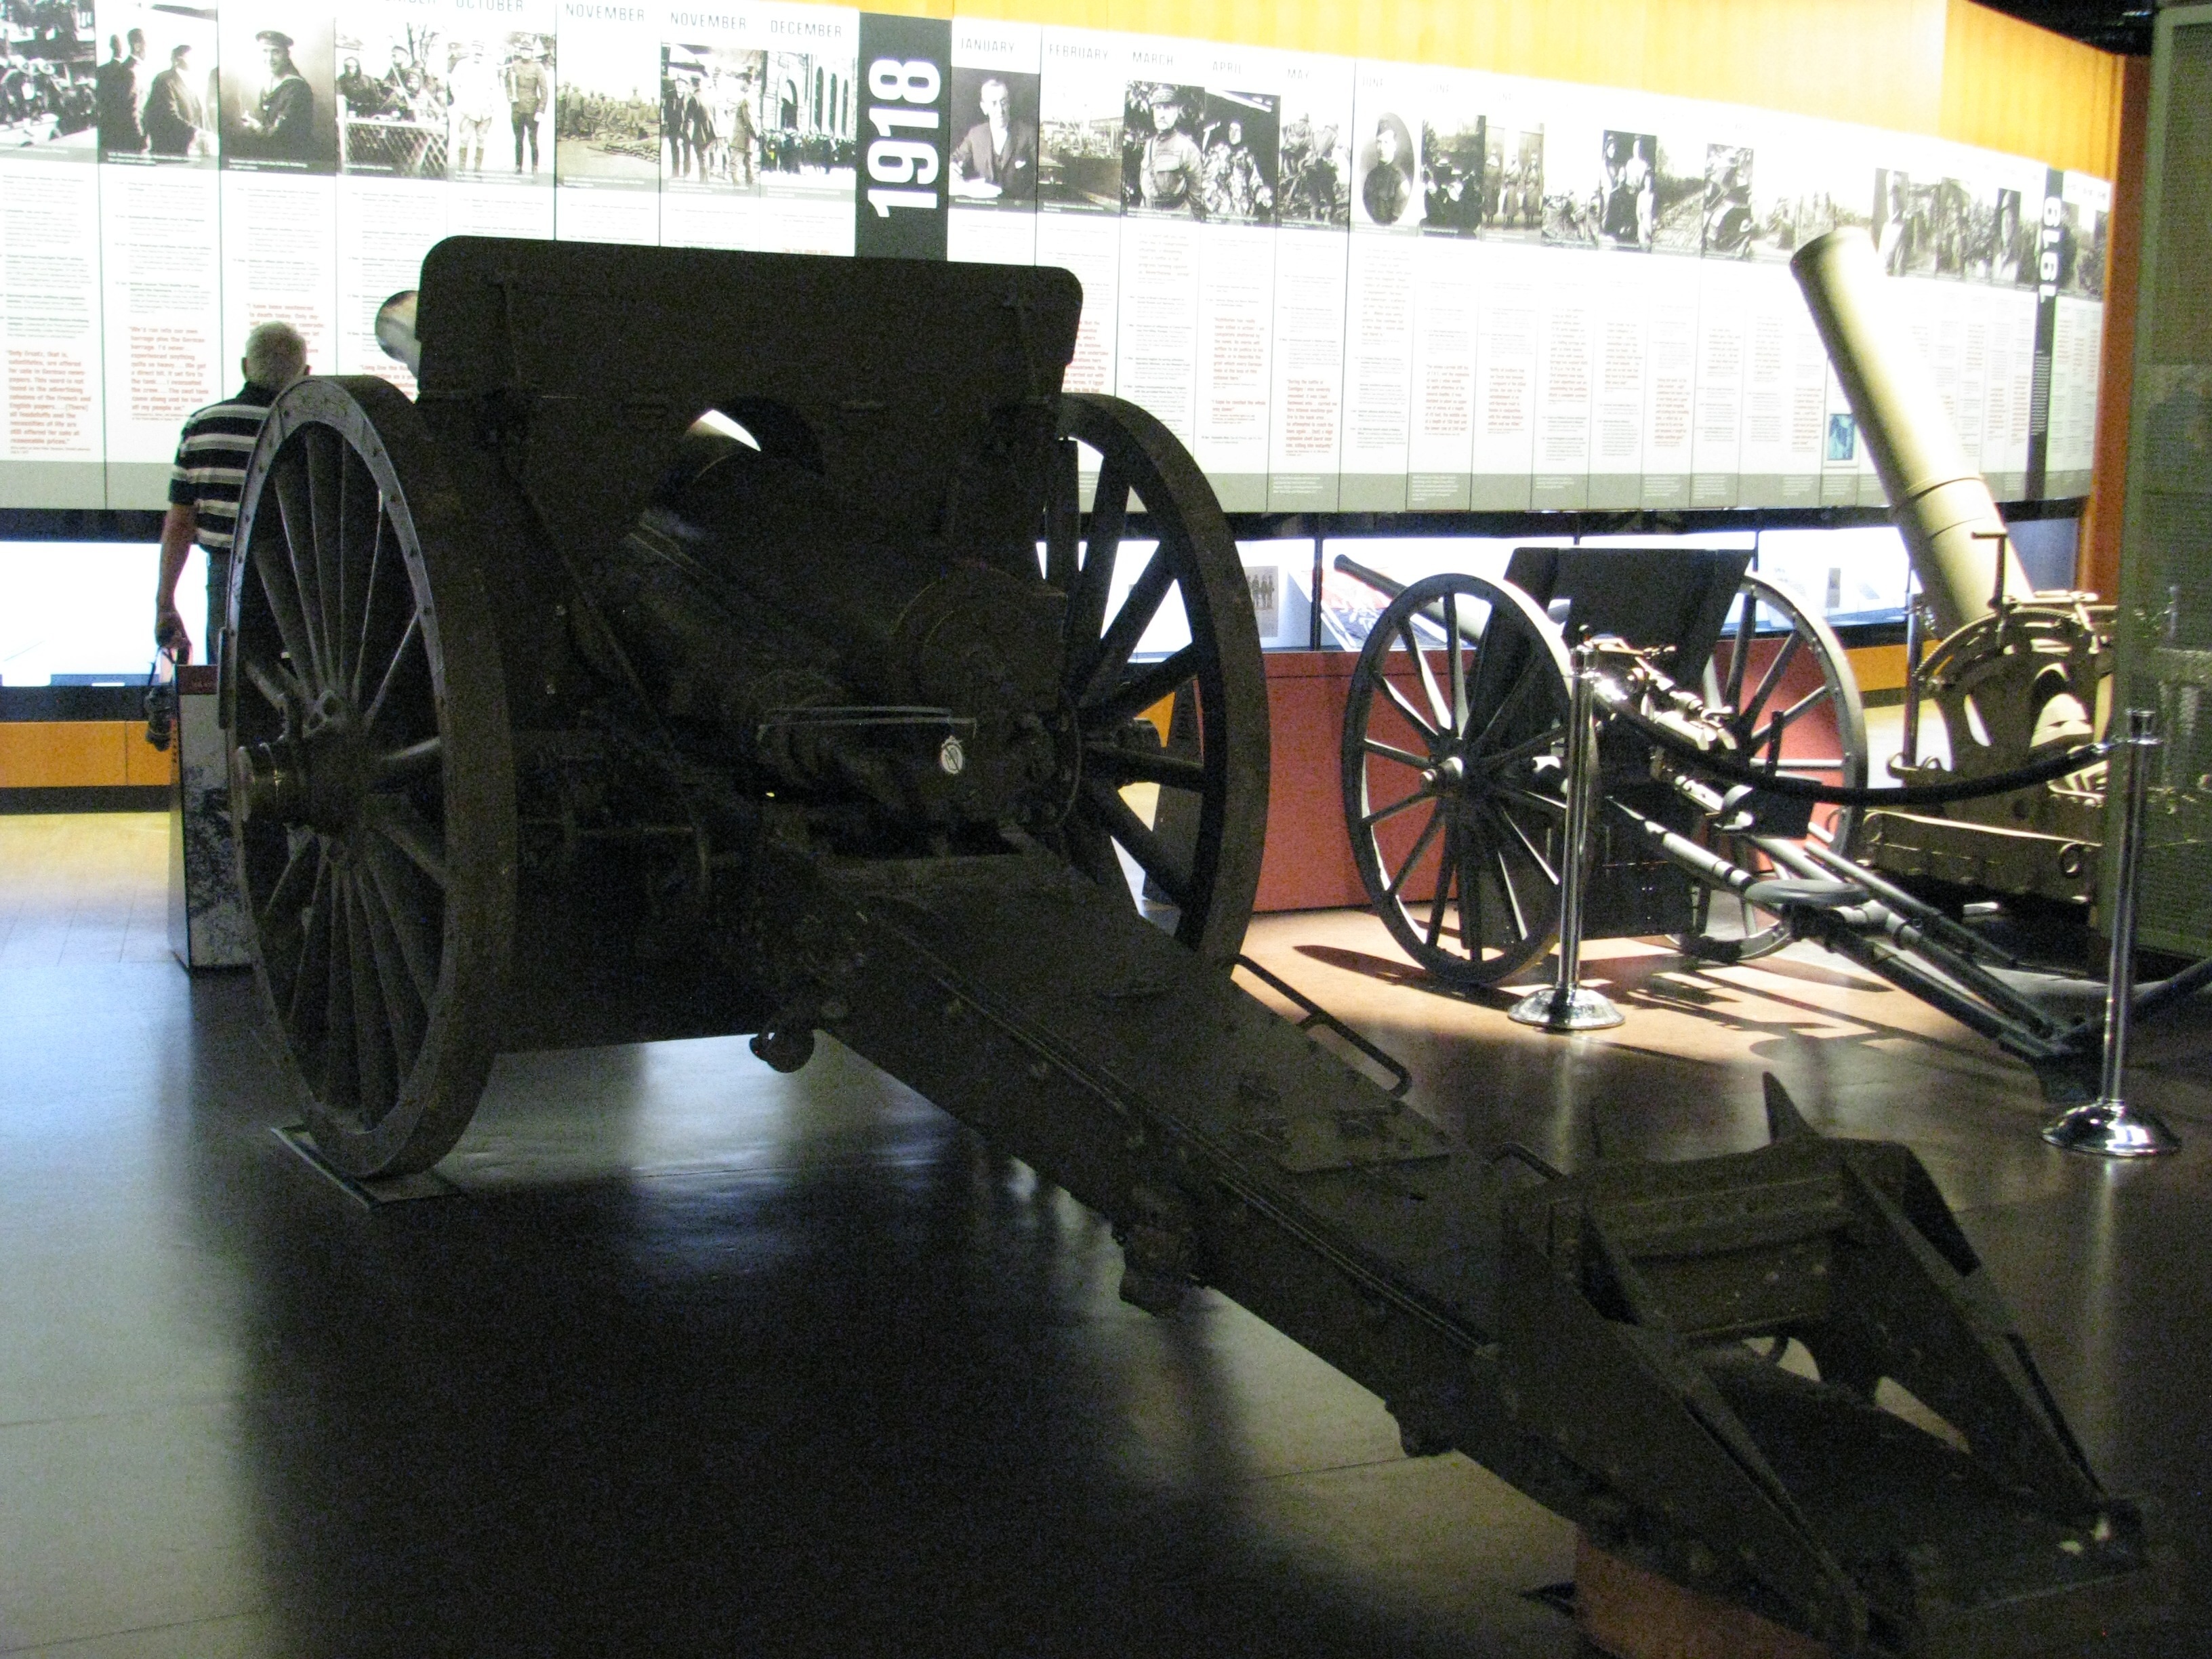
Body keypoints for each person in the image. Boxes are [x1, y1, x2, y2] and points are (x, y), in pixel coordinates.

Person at [153, 322, 310, 665]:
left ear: (244, 366)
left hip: (226, 581)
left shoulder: (202, 426)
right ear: (305, 374)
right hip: (302, 585)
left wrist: (165, 603)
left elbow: (180, 525)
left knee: (230, 682)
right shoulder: (310, 432)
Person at [949, 75, 1035, 202]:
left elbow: (1037, 177)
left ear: (1009, 104)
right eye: (994, 104)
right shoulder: (975, 134)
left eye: (1003, 102)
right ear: (984, 108)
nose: (1000, 110)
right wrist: (952, 167)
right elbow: (955, 159)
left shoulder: (1028, 134)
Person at [236, 29, 313, 160]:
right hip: (269, 154)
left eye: (276, 52)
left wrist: (255, 126)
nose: (269, 59)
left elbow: (280, 135)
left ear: (287, 54)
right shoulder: (269, 83)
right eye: (265, 51)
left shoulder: (296, 88)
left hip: (292, 158)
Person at [1132, 85, 1202, 215]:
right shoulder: (1149, 144)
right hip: (1146, 212)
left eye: (1167, 108)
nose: (1162, 115)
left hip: (1174, 215)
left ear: (1176, 112)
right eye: (1158, 108)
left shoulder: (1187, 147)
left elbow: (1197, 194)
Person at [446, 41, 499, 175]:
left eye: (481, 49)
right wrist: (460, 100)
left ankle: (477, 168)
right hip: (467, 110)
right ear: (471, 49)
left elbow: (495, 87)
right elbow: (454, 84)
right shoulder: (462, 65)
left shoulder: (489, 66)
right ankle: (462, 167)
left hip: (485, 111)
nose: (478, 52)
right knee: (464, 139)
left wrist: (491, 104)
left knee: (481, 139)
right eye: (476, 48)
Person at [142, 42, 204, 157]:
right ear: (179, 59)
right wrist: (196, 131)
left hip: (189, 149)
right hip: (170, 149)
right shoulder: (164, 80)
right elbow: (168, 114)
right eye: (192, 58)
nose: (196, 61)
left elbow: (197, 114)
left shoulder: (192, 82)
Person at [94, 29, 142, 154]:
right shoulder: (129, 71)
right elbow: (129, 110)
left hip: (107, 133)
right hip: (126, 137)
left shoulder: (102, 71)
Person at [506, 39, 548, 174]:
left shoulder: (537, 67)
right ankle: (518, 165)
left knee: (533, 140)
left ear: (532, 52)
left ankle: (535, 166)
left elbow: (544, 91)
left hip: (532, 110)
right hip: (517, 109)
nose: (525, 53)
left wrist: (541, 110)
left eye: (528, 51)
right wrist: (510, 97)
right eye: (523, 50)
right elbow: (508, 84)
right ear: (520, 51)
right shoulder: (515, 65)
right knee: (518, 139)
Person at [1361, 117, 1407, 225]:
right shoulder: (1371, 176)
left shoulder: (1400, 180)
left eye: (1386, 142)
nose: (1381, 148)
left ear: (1394, 146)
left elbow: (1397, 221)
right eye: (1379, 142)